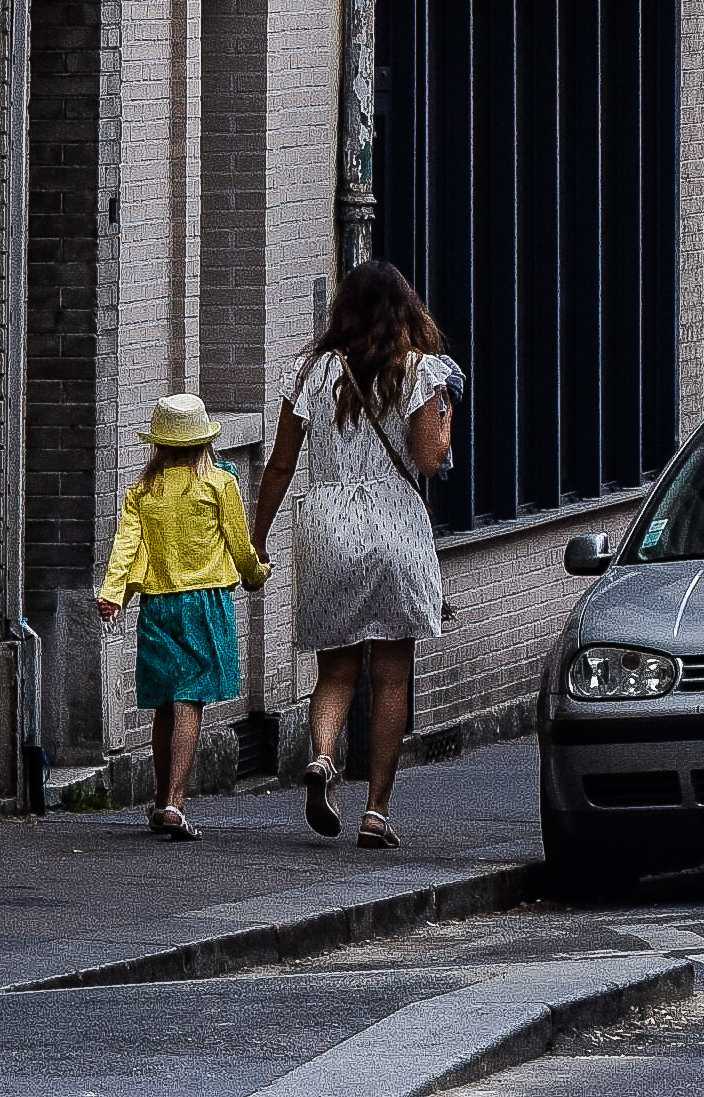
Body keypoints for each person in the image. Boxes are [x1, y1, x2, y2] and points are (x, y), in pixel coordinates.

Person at [247, 259, 457, 847]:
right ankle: (376, 811)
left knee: (335, 669)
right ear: (405, 311)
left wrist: (257, 536)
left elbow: (282, 463)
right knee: (392, 676)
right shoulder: (421, 372)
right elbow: (428, 458)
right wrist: (444, 419)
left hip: (329, 525)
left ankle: (320, 756)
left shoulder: (312, 370)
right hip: (394, 523)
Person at [94, 393, 264, 835]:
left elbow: (125, 546)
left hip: (157, 606)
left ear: (160, 444)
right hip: (204, 603)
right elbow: (239, 543)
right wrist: (255, 573)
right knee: (190, 700)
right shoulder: (220, 484)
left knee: (165, 705)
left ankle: (157, 798)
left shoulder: (143, 492)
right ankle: (175, 803)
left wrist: (112, 593)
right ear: (204, 440)